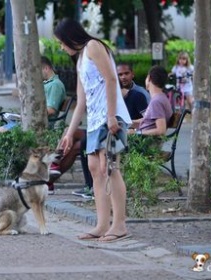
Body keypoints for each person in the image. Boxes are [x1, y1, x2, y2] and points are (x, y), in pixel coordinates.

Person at [54, 18, 132, 242]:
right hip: (95, 120)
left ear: (70, 36)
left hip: (110, 117)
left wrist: (110, 116)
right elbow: (81, 101)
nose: (61, 47)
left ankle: (119, 225)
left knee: (110, 167)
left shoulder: (93, 47)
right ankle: (101, 225)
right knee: (94, 167)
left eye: (61, 42)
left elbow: (110, 79)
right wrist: (69, 133)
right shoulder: (80, 60)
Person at [57, 62, 149, 199]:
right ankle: (57, 169)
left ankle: (90, 186)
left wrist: (128, 125)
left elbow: (148, 120)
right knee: (76, 136)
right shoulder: (112, 92)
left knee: (82, 144)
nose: (123, 77)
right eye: (120, 75)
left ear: (132, 74)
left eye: (126, 74)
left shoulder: (138, 94)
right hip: (105, 129)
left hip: (127, 134)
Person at [0, 56, 66, 133]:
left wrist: (30, 114)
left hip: (38, 124)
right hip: (32, 121)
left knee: (0, 131)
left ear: (46, 68)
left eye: (38, 71)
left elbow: (51, 110)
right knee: (0, 128)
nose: (36, 75)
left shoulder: (55, 85)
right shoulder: (47, 84)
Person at [128, 65, 173, 136]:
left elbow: (161, 130)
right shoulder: (160, 98)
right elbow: (149, 121)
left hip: (145, 143)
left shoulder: (156, 102)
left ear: (149, 78)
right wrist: (129, 123)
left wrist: (137, 133)